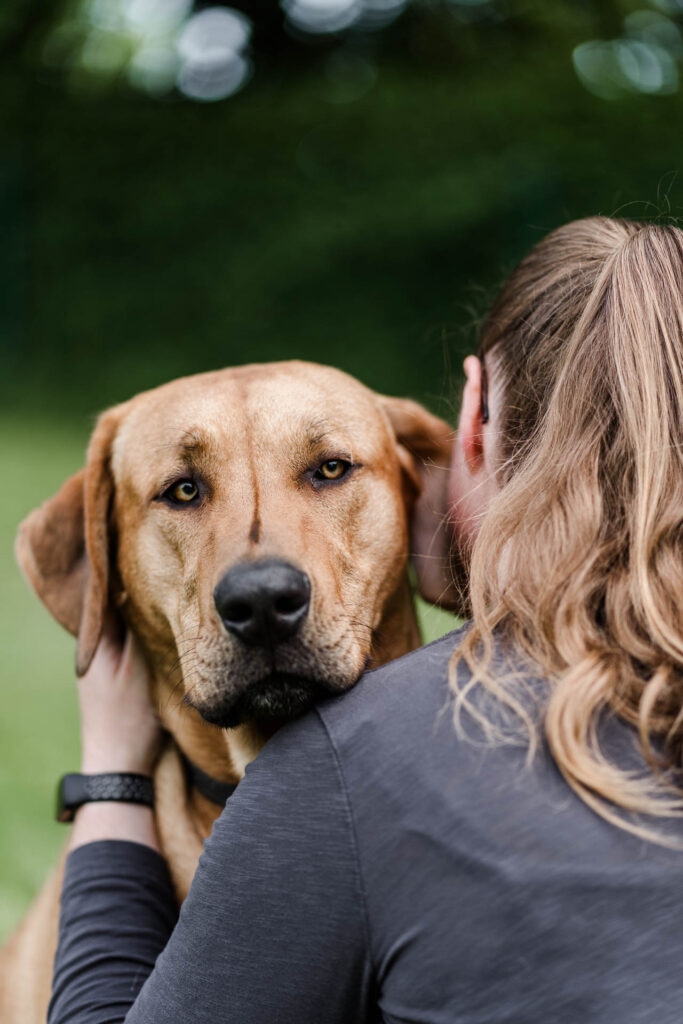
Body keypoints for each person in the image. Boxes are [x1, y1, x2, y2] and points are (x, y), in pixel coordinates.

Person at [48, 217, 683, 1024]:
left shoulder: (347, 769)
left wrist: (108, 774)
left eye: (328, 472)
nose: (260, 579)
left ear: (454, 449)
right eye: (182, 492)